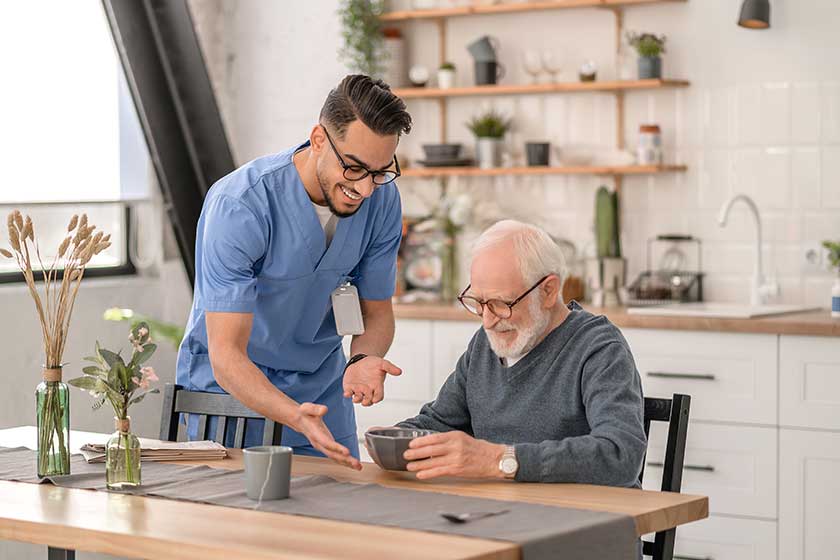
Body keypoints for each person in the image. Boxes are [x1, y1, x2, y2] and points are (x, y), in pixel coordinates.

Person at [176, 75, 412, 469]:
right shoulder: (241, 204)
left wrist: (362, 358)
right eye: (354, 168)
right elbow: (226, 353)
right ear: (318, 139)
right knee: (231, 507)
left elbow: (376, 312)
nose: (366, 189)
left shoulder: (383, 202)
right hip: (232, 393)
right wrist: (292, 415)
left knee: (340, 505)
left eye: (379, 172)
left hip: (320, 391)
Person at [392, 220, 647, 485]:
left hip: (586, 509)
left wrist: (498, 460)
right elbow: (437, 423)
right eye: (478, 302)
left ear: (548, 291)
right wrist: (391, 439)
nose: (487, 321)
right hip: (501, 507)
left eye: (501, 303)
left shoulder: (599, 347)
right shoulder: (486, 344)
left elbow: (621, 454)